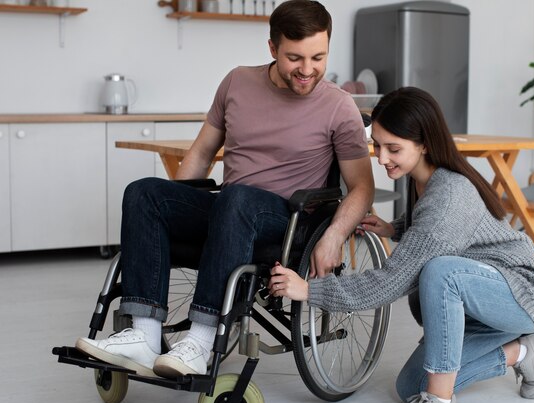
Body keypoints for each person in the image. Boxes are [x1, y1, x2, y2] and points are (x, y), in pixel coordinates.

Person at [76, 0, 374, 379]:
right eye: (295, 58)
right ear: (272, 48)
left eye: (318, 57)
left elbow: (362, 186)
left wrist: (334, 236)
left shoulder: (338, 106)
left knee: (237, 198)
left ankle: (201, 339)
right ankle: (144, 335)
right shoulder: (237, 82)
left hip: (288, 220)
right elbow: (201, 152)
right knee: (144, 192)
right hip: (230, 211)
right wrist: (174, 213)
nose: (307, 70)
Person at [268, 87, 534, 403]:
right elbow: (438, 227)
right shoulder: (425, 179)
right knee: (411, 386)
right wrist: (396, 228)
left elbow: (391, 282)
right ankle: (524, 351)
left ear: (424, 143)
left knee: (441, 272)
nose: (381, 158)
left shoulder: (450, 194)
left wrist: (310, 290)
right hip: (485, 297)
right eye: (377, 145)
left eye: (394, 149)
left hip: (526, 292)